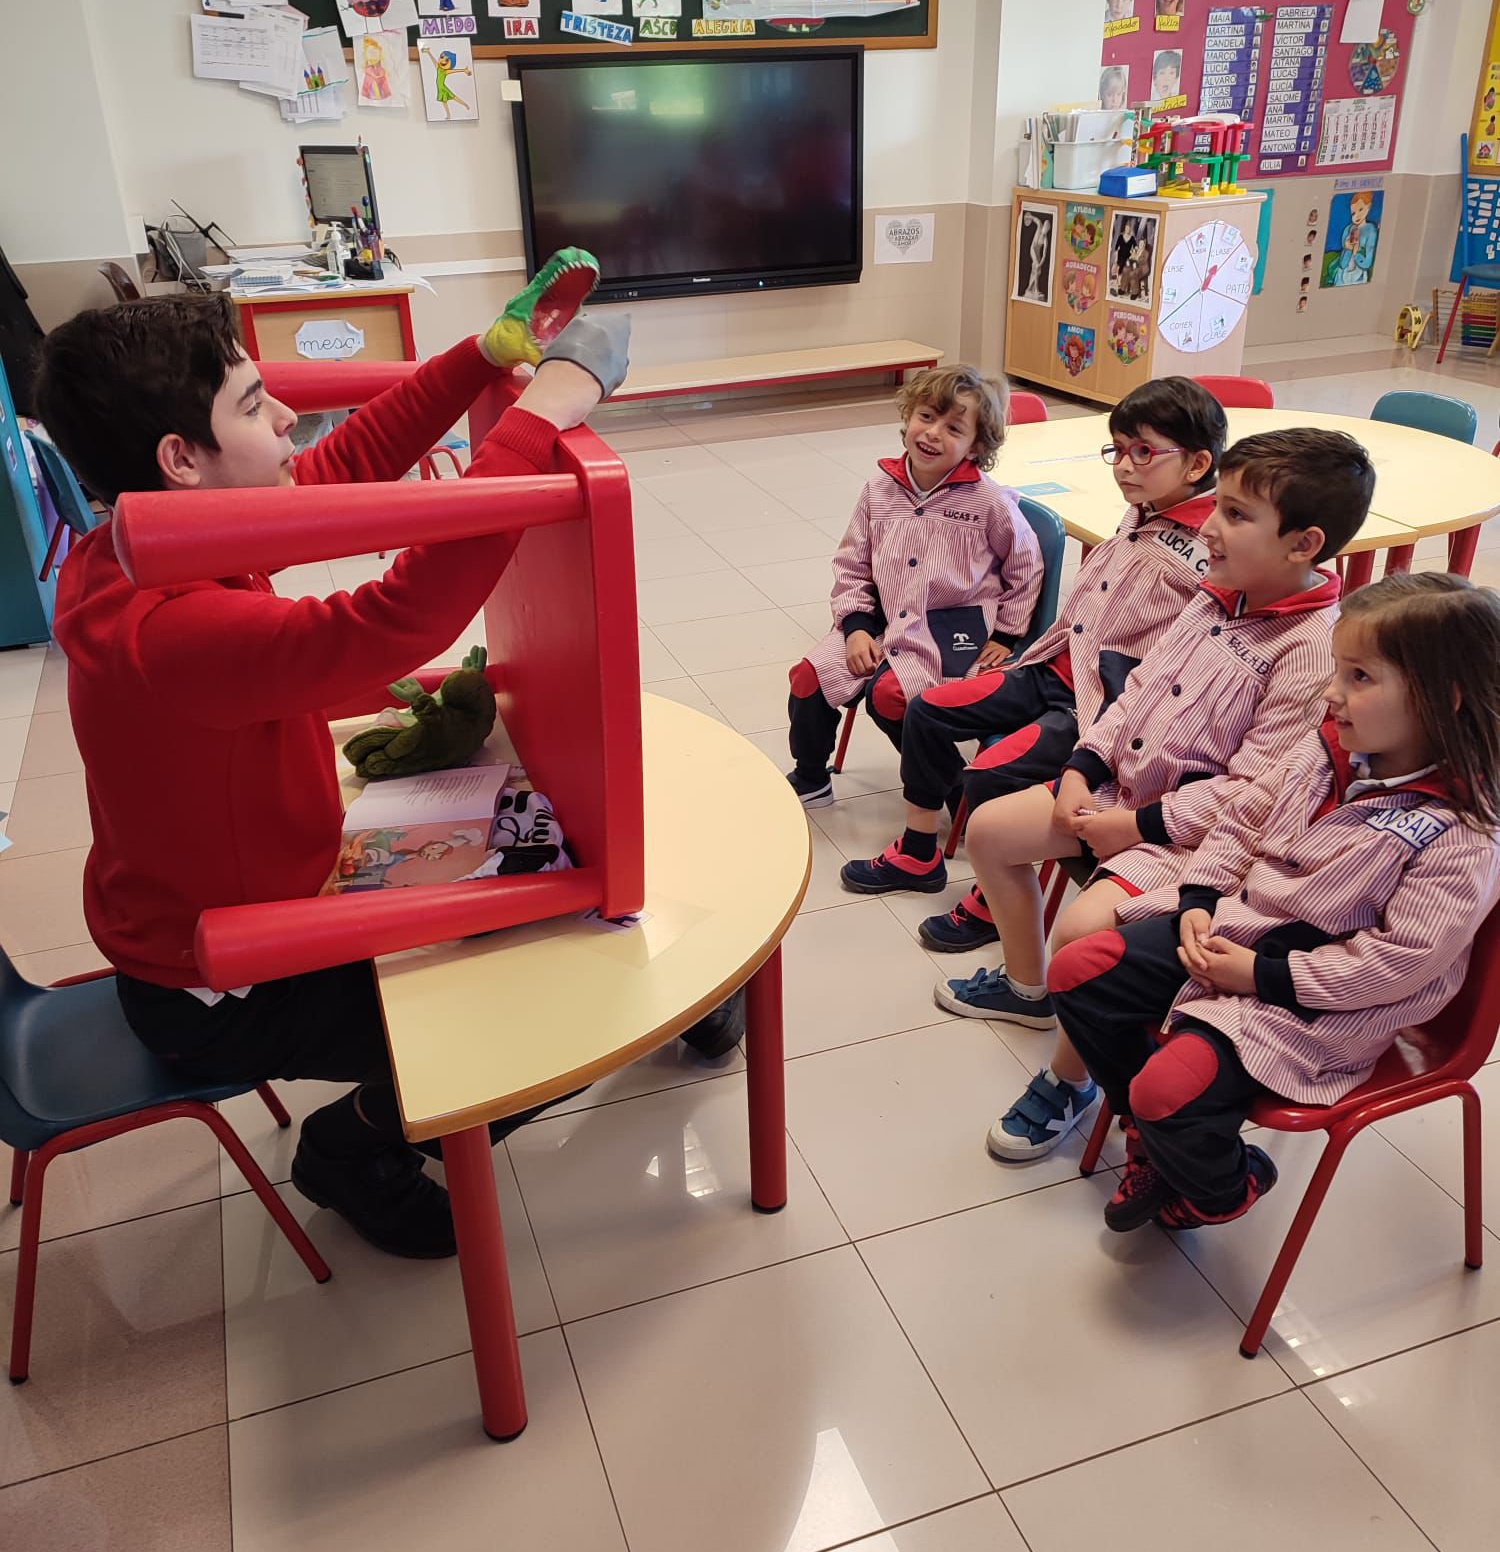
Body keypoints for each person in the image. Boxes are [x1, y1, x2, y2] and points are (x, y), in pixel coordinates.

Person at [35, 298, 736, 1261]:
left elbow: (335, 471)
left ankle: (683, 1004)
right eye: (254, 405)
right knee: (564, 1019)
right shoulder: (163, 626)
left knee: (545, 916)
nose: (287, 420)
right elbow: (396, 620)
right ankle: (353, 1149)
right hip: (226, 992)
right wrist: (542, 414)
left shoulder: (156, 534)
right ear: (179, 460)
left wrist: (473, 361)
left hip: (247, 911)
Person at [939, 427, 1375, 1164]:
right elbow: (1136, 691)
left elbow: (1256, 793)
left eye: (1237, 515)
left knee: (1082, 933)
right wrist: (1083, 763)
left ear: (1304, 545)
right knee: (987, 829)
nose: (1210, 524)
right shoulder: (1215, 596)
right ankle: (1026, 988)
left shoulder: (1311, 651)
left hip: (1190, 843)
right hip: (1116, 792)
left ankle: (1071, 1082)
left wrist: (1135, 825)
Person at [1051, 572, 1500, 1234]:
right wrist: (1201, 894)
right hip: (1241, 932)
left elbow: (1396, 964)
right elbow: (1241, 815)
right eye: (1338, 671)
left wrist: (1258, 976)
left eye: (1359, 678)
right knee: (1077, 976)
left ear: (1446, 698)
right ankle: (1153, 1136)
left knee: (1165, 1090)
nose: (1332, 693)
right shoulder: (1332, 748)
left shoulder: (1464, 832)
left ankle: (1223, 1188)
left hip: (1317, 1003)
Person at [839, 379, 1225, 903]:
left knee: (987, 777)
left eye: (1143, 453)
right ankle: (920, 851)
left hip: (1098, 704)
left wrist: (1005, 634)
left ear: (1197, 465)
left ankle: (992, 903)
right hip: (1053, 667)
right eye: (1118, 450)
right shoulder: (1145, 507)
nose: (1124, 467)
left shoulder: (1213, 550)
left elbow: (1182, 666)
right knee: (924, 710)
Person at [785, 366, 1044, 808]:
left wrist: (1006, 634)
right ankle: (811, 778)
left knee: (889, 697)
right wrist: (856, 628)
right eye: (926, 417)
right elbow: (852, 565)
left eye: (953, 427)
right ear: (909, 417)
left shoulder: (989, 502)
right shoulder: (878, 491)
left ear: (976, 446)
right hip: (881, 619)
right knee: (810, 678)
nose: (932, 433)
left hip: (949, 628)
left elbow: (1027, 567)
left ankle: (952, 793)